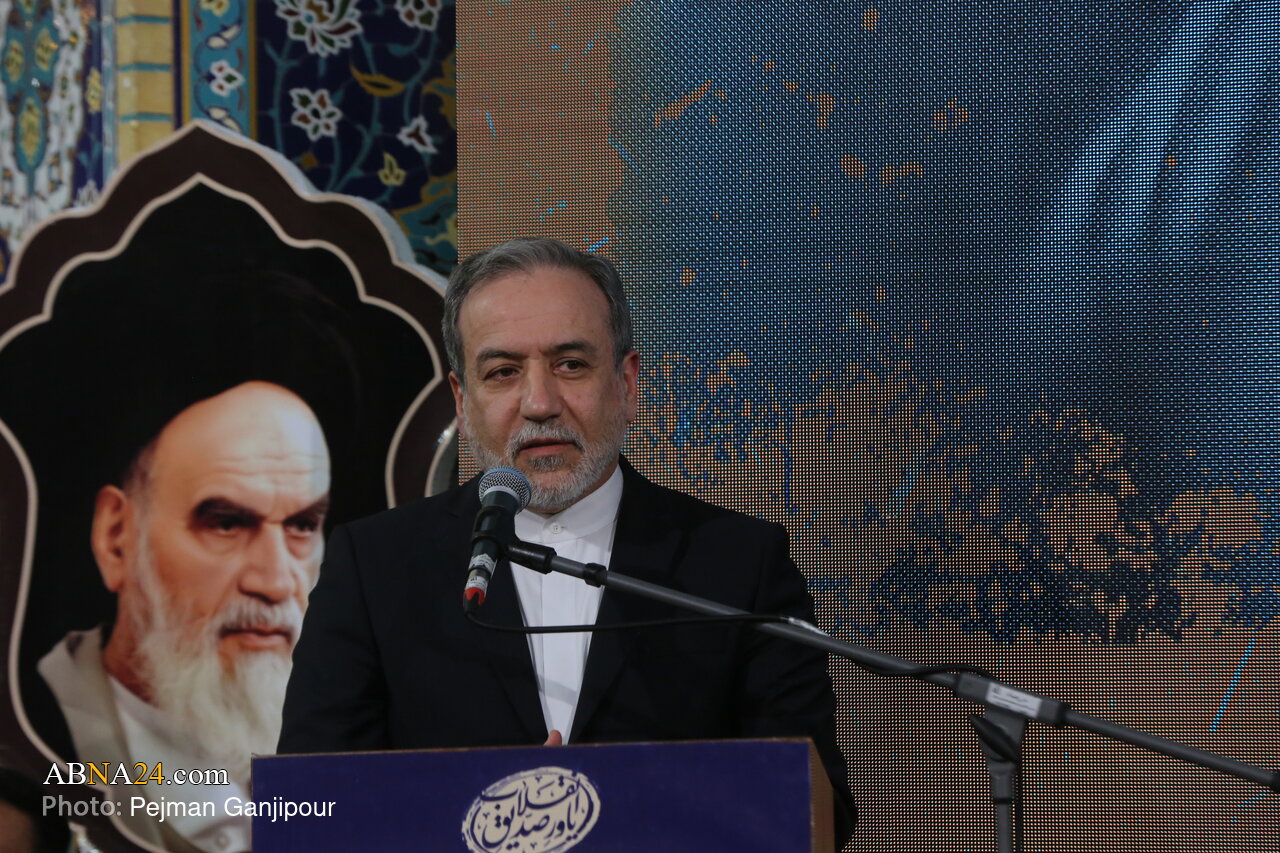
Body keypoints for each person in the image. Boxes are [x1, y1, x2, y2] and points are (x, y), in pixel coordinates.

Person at [279, 237, 856, 846]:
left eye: (570, 364)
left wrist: (607, 812)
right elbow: (309, 806)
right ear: (463, 401)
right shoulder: (375, 566)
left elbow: (817, 811)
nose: (539, 403)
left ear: (627, 383)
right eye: (503, 372)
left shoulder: (738, 564)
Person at [38, 381, 331, 853]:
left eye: (302, 526)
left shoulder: (347, 728)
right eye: (226, 524)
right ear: (117, 538)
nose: (276, 582)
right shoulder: (32, 741)